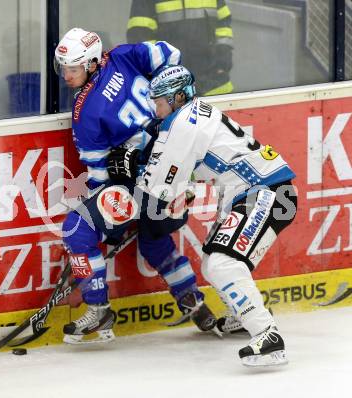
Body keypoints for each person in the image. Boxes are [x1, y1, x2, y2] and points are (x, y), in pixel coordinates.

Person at [107, 64, 297, 367]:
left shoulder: (184, 124)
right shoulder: (191, 114)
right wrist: (142, 158)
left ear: (178, 98)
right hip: (255, 193)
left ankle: (267, 335)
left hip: (267, 193)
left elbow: (159, 188)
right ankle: (244, 316)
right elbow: (170, 161)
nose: (155, 110)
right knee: (213, 263)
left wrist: (133, 167)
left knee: (223, 263)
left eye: (159, 103)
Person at [54, 28, 218, 344]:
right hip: (179, 181)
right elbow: (171, 56)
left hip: (141, 187)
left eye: (72, 68)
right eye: (63, 68)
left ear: (90, 63)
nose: (66, 75)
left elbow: (100, 175)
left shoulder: (84, 110)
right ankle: (194, 304)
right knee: (154, 241)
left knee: (78, 229)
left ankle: (99, 309)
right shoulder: (124, 57)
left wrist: (107, 221)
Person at [126, 0, 234, 96]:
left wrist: (222, 62)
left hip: (215, 86)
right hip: (171, 90)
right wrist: (163, 75)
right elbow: (141, 39)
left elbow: (223, 25)